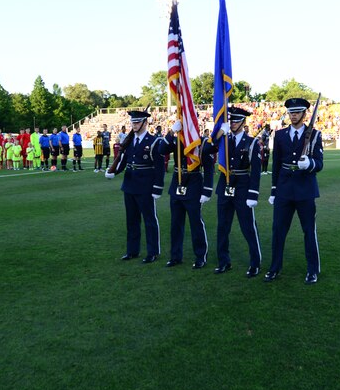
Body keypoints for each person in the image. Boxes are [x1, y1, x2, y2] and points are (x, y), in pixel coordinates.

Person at [265, 98, 324, 285]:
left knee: (308, 231)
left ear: (305, 113)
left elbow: (320, 163)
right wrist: (274, 190)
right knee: (278, 231)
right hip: (284, 190)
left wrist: (310, 164)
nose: (293, 115)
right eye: (291, 112)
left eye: (297, 112)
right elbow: (276, 165)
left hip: (305, 190)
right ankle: (274, 268)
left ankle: (313, 270)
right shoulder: (280, 135)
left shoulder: (314, 135)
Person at [158, 120, 226, 269]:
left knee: (196, 224)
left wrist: (207, 191)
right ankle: (175, 256)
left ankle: (201, 256)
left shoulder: (201, 143)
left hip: (194, 186)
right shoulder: (176, 139)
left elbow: (208, 166)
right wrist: (171, 132)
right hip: (177, 184)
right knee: (175, 224)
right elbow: (161, 149)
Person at [105, 110, 165, 263]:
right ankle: (132, 250)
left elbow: (159, 167)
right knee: (131, 220)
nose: (135, 125)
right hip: (129, 185)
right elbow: (124, 161)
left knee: (149, 220)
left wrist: (158, 187)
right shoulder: (129, 140)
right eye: (133, 122)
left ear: (145, 123)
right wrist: (113, 171)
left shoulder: (154, 142)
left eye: (138, 122)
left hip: (145, 186)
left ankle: (153, 252)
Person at [214, 107, 263, 278]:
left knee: (248, 227)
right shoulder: (223, 140)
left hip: (243, 186)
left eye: (236, 121)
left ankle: (255, 263)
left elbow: (256, 171)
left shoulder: (252, 143)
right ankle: (223, 262)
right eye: (231, 120)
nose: (233, 123)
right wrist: (220, 132)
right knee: (222, 227)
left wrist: (253, 194)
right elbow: (207, 149)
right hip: (225, 185)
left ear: (243, 122)